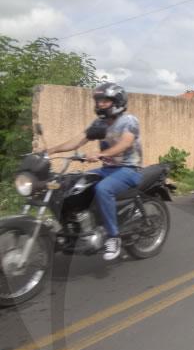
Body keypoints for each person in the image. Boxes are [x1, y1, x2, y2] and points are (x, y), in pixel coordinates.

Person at [46, 83, 143, 261]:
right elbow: (76, 142)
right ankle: (75, 228)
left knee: (103, 189)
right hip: (107, 169)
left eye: (105, 101)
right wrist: (50, 151)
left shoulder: (128, 121)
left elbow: (125, 143)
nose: (100, 105)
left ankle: (113, 238)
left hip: (129, 169)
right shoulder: (99, 123)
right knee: (70, 184)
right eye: (98, 101)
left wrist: (100, 154)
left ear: (117, 102)